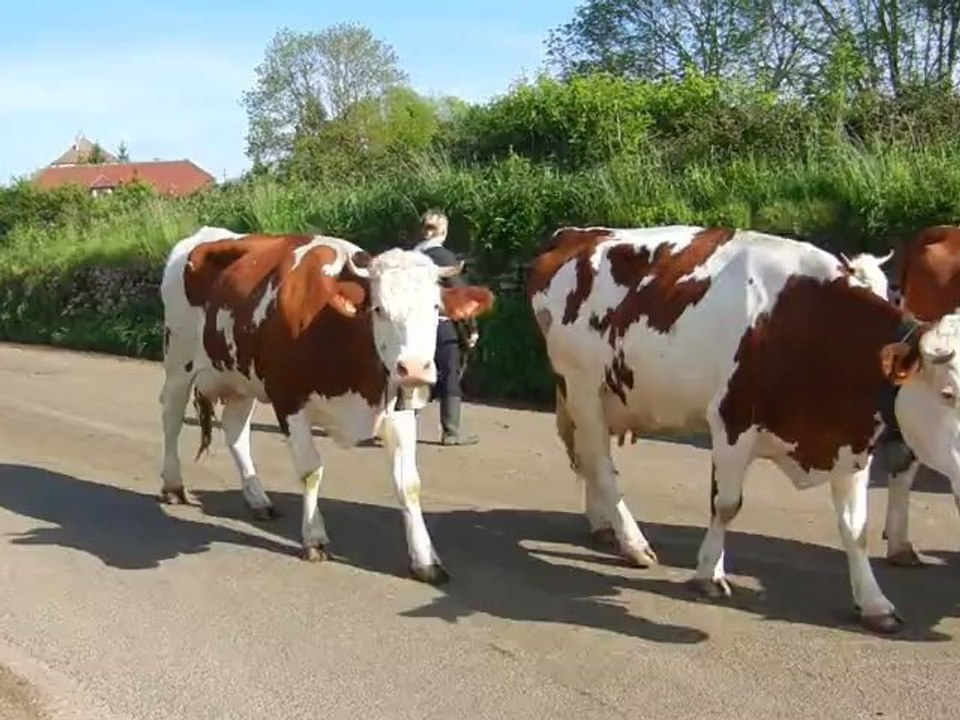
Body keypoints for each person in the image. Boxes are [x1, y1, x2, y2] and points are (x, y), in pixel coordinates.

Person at [413, 209, 480, 446]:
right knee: (450, 373)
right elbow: (458, 295)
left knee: (413, 376)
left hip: (412, 327)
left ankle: (402, 428)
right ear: (443, 231)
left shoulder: (409, 256)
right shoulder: (444, 257)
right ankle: (451, 432)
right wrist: (471, 327)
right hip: (440, 325)